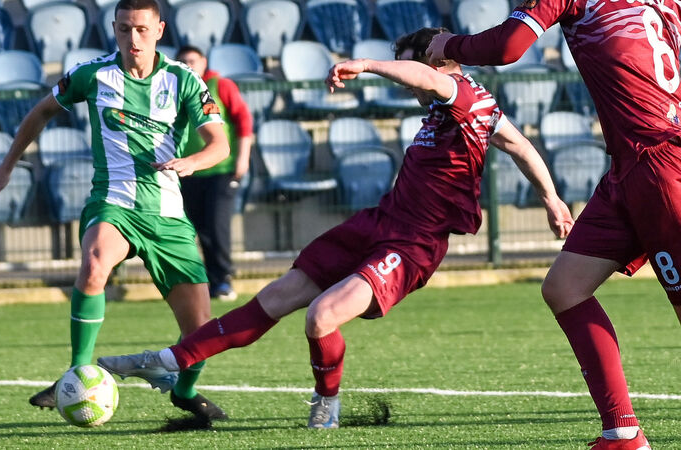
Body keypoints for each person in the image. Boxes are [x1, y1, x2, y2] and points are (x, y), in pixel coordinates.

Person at [97, 27, 574, 429]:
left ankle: (327, 404)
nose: (410, 85)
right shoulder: (468, 108)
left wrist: (364, 63)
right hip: (378, 222)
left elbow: (426, 76)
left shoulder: (458, 89)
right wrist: (551, 199)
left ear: (439, 62)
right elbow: (519, 145)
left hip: (413, 244)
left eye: (414, 69)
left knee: (321, 316)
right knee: (278, 296)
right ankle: (169, 361)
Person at [426, 1, 681, 448]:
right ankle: (622, 433)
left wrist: (449, 44)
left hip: (658, 164)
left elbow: (507, 46)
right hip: (631, 166)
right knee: (565, 288)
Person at [0, 0, 231, 421]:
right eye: (123, 29)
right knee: (95, 263)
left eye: (140, 30)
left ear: (159, 30)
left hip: (167, 212)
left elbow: (219, 144)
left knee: (201, 330)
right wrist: (7, 164)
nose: (131, 39)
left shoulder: (184, 80)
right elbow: (42, 111)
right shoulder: (93, 74)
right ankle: (78, 371)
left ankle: (185, 391)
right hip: (113, 201)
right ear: (113, 28)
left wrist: (193, 161)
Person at [174, 45, 254, 301]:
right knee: (196, 229)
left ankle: (223, 279)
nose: (189, 65)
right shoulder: (176, 88)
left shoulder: (221, 86)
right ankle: (205, 282)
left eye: (192, 60)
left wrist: (242, 158)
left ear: (204, 62)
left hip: (221, 169)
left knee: (217, 226)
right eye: (183, 62)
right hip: (189, 171)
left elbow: (243, 121)